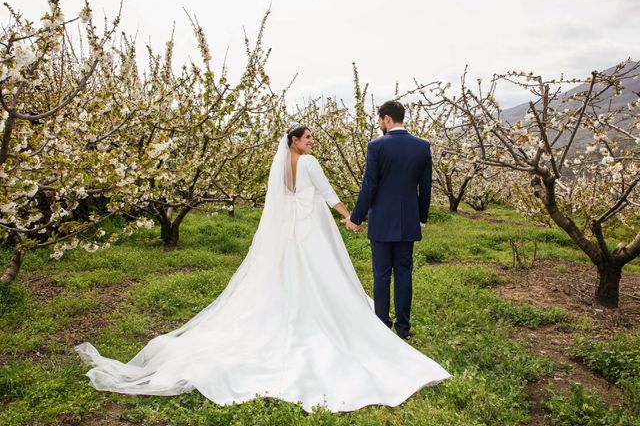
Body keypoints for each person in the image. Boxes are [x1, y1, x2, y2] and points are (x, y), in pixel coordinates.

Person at [75, 124, 450, 413]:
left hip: (289, 228)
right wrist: (349, 218)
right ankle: (326, 315)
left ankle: (293, 309)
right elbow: (325, 192)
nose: (312, 142)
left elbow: (285, 198)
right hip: (311, 227)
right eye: (308, 138)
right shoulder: (309, 163)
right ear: (295, 141)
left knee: (288, 273)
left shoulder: (282, 165)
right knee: (323, 273)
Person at [345, 100, 432, 339]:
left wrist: (356, 217)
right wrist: (421, 220)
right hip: (408, 220)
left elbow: (369, 186)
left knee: (382, 273)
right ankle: (403, 327)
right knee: (404, 272)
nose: (380, 124)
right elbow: (425, 189)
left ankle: (382, 325)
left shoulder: (377, 146)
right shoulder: (422, 147)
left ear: (386, 119)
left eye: (380, 120)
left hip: (382, 220)